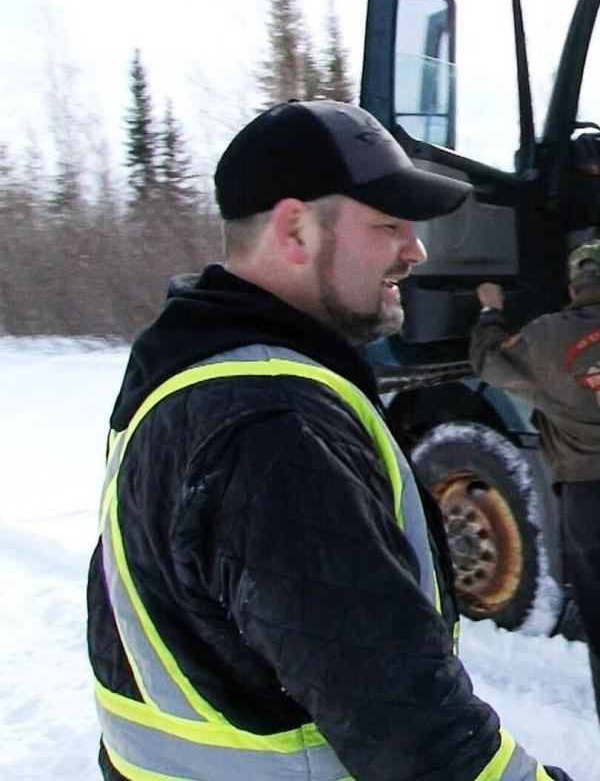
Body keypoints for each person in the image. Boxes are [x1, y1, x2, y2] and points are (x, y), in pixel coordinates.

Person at [87, 99, 574, 781]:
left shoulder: (187, 370)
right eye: (388, 225)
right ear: (295, 230)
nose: (416, 251)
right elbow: (418, 741)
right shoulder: (274, 427)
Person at [470, 241, 600, 726]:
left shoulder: (546, 337)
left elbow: (488, 360)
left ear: (573, 286)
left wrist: (490, 310)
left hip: (589, 497)